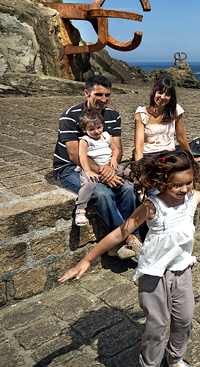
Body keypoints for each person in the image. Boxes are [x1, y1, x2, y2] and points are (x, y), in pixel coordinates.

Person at [59, 150, 200, 367]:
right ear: (161, 181)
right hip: (153, 274)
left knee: (184, 320)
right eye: (177, 185)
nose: (184, 189)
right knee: (157, 325)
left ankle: (175, 358)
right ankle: (149, 364)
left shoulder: (193, 197)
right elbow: (120, 232)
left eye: (188, 182)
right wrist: (87, 260)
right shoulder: (152, 206)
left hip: (181, 270)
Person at [53, 75, 140, 259]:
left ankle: (122, 243)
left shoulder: (113, 116)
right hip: (71, 168)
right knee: (102, 193)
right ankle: (130, 241)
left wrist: (111, 165)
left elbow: (116, 148)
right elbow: (75, 154)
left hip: (104, 164)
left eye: (107, 95)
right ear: (87, 93)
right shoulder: (69, 116)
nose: (103, 99)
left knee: (128, 189)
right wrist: (104, 173)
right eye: (98, 94)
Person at [75, 110, 131, 226]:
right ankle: (80, 209)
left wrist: (114, 159)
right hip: (94, 168)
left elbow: (115, 149)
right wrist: (87, 170)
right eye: (91, 129)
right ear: (84, 130)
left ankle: (141, 190)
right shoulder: (85, 140)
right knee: (89, 184)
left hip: (110, 165)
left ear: (103, 125)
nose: (96, 131)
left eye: (99, 127)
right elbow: (82, 156)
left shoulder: (106, 135)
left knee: (129, 172)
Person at [134, 78, 200, 163]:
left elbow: (181, 137)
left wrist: (192, 158)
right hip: (148, 156)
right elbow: (138, 146)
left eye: (167, 95)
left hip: (169, 155)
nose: (163, 97)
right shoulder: (142, 114)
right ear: (154, 93)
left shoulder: (175, 111)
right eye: (160, 93)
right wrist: (139, 167)